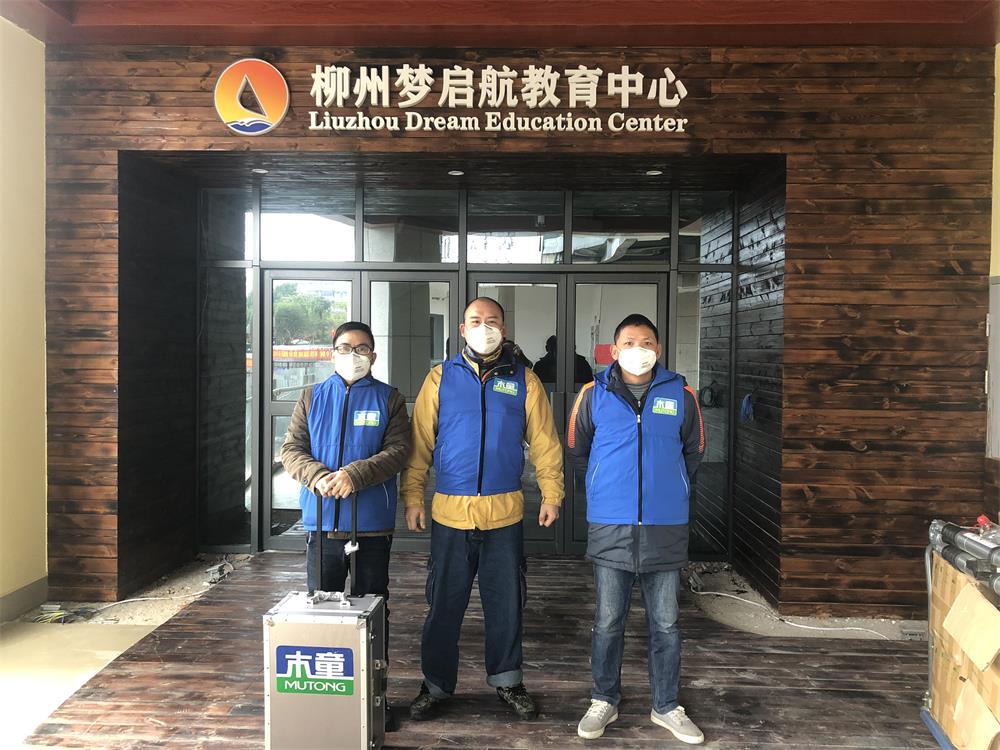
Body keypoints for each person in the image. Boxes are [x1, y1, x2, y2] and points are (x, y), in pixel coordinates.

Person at [402, 297, 565, 722]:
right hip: (450, 514)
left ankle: (508, 680)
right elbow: (420, 444)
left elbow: (545, 443)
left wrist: (552, 493)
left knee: (506, 604)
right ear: (462, 329)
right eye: (476, 320)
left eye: (492, 321)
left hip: (504, 514)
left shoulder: (525, 381)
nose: (484, 327)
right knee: (443, 605)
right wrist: (413, 498)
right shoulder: (440, 378)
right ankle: (435, 685)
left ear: (504, 330)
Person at [566, 313, 706, 745]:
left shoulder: (682, 394)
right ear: (614, 349)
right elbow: (577, 451)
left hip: (665, 525)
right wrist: (604, 488)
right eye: (629, 342)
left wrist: (671, 488)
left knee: (666, 624)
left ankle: (666, 705)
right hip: (611, 524)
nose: (638, 349)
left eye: (646, 342)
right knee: (608, 621)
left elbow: (695, 451)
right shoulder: (593, 394)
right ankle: (603, 698)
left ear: (658, 349)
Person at [280, 321, 410, 732]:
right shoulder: (311, 396)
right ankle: (326, 698)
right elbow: (291, 449)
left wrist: (355, 474)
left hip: (371, 525)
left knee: (373, 612)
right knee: (321, 614)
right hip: (322, 524)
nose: (352, 354)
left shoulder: (390, 398)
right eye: (344, 347)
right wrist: (317, 475)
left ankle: (376, 697)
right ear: (331, 352)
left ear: (374, 355)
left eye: (361, 348)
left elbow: (398, 451)